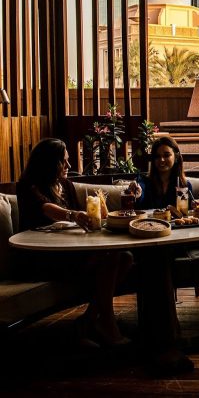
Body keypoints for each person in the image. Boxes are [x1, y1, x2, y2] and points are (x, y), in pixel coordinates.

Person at [16, 138, 132, 347]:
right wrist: (73, 215)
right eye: (64, 161)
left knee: (124, 256)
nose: (69, 165)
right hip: (42, 257)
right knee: (110, 259)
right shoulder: (28, 186)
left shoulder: (66, 185)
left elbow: (80, 218)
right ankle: (107, 324)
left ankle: (89, 320)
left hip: (69, 251)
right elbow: (46, 208)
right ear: (49, 163)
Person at [127, 136, 193, 210]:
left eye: (166, 155)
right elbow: (139, 200)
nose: (161, 160)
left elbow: (188, 212)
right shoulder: (144, 182)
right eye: (157, 156)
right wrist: (138, 193)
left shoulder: (185, 185)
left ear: (176, 157)